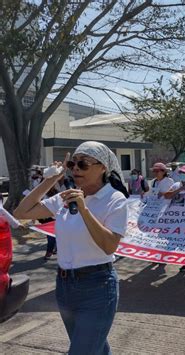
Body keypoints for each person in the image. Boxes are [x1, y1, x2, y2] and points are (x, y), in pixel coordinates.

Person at [14, 141, 129, 354]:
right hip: (65, 286)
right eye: (72, 163)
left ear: (102, 167)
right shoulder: (66, 196)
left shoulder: (115, 199)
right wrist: (50, 181)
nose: (75, 168)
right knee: (95, 349)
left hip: (98, 287)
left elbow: (109, 246)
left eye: (83, 164)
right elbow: (22, 212)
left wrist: (84, 209)